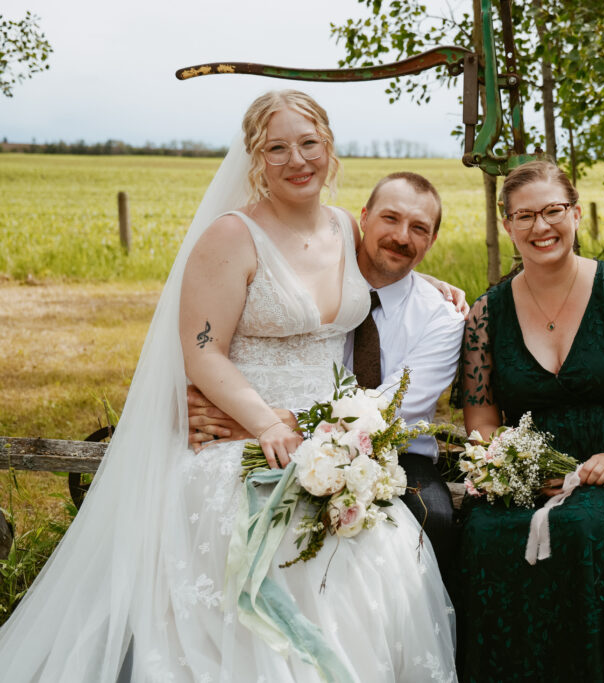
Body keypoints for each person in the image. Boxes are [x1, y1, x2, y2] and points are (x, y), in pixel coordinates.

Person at [0, 90, 456, 682]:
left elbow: (387, 262)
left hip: (330, 442)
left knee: (380, 547)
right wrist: (264, 422)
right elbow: (201, 349)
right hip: (236, 438)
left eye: (309, 143)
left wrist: (438, 284)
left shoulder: (348, 227)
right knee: (284, 540)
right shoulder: (230, 237)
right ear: (254, 158)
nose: (298, 159)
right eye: (277, 148)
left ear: (330, 147)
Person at [454, 160, 604, 682]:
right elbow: (481, 416)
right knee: (483, 531)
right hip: (535, 471)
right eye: (525, 216)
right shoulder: (487, 313)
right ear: (507, 225)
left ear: (576, 214)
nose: (541, 227)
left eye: (553, 211)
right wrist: (511, 468)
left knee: (589, 523)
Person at [187, 171, 466, 582]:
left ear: (432, 241)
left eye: (419, 229)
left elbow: (393, 406)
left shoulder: (442, 317)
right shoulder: (316, 272)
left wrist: (283, 419)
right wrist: (262, 418)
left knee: (433, 520)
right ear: (363, 219)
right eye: (390, 219)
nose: (402, 237)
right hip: (281, 432)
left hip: (396, 452)